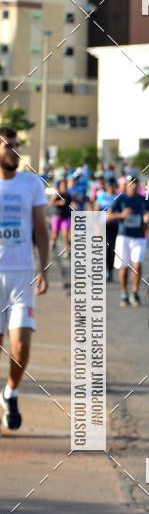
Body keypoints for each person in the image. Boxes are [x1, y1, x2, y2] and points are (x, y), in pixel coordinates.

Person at [0, 127, 49, 430]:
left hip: (22, 275)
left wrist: (43, 268)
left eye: (17, 146)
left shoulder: (31, 183)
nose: (14, 151)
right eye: (8, 146)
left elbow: (41, 230)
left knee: (21, 345)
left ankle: (11, 391)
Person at [107, 175, 149, 306]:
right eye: (130, 183)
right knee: (124, 267)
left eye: (135, 183)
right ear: (126, 185)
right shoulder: (120, 199)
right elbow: (108, 216)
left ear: (138, 185)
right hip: (124, 236)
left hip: (139, 236)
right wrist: (121, 215)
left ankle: (135, 292)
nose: (133, 185)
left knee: (137, 265)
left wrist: (147, 217)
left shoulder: (143, 199)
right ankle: (123, 293)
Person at [96, 179, 119, 281]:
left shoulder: (118, 197)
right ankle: (106, 270)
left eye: (112, 186)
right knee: (105, 248)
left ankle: (110, 270)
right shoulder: (102, 196)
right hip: (103, 225)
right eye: (109, 186)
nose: (110, 188)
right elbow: (96, 210)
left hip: (116, 225)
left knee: (113, 248)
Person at [49, 178, 72, 256]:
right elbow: (51, 203)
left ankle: (66, 251)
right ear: (60, 187)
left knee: (65, 235)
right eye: (62, 186)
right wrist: (59, 202)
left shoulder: (68, 195)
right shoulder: (57, 194)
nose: (64, 187)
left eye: (65, 186)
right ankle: (52, 242)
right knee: (55, 234)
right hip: (57, 217)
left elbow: (72, 203)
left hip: (66, 217)